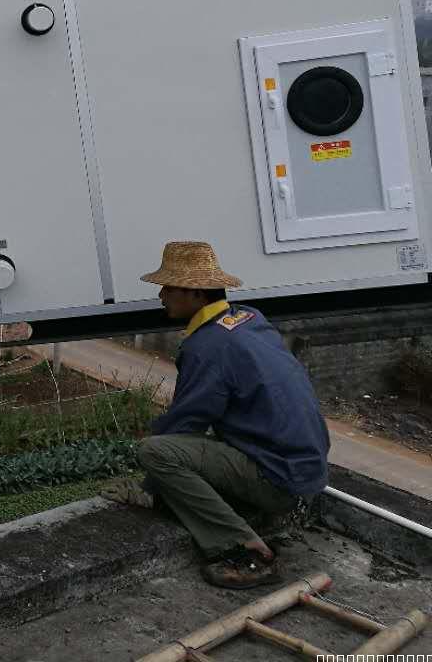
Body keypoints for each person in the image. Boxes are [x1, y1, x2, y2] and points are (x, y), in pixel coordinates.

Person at [119, 241, 330, 590]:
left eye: (170, 287)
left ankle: (240, 547)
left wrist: (147, 489)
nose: (161, 295)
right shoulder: (247, 318)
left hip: (279, 479)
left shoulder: (206, 347)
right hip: (305, 468)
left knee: (154, 451)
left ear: (198, 295)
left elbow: (183, 424)